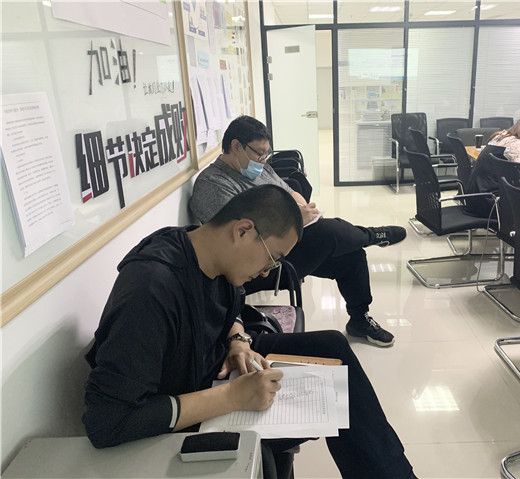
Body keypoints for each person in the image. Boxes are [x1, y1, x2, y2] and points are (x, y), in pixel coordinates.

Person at [83, 185, 417, 479]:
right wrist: (232, 396)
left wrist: (238, 339)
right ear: (243, 230)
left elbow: (230, 308)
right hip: (187, 407)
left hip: (219, 366)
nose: (267, 272)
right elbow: (109, 422)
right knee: (339, 401)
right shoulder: (150, 290)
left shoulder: (207, 252)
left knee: (333, 350)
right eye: (273, 258)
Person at [190, 115, 406, 348]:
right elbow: (243, 238)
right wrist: (295, 219)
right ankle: (371, 235)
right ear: (236, 146)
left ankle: (359, 320)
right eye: (259, 153)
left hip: (286, 246)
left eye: (265, 154)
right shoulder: (212, 184)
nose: (262, 160)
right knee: (328, 233)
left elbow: (289, 191)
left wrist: (305, 211)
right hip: (259, 264)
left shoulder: (260, 169)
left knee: (351, 254)